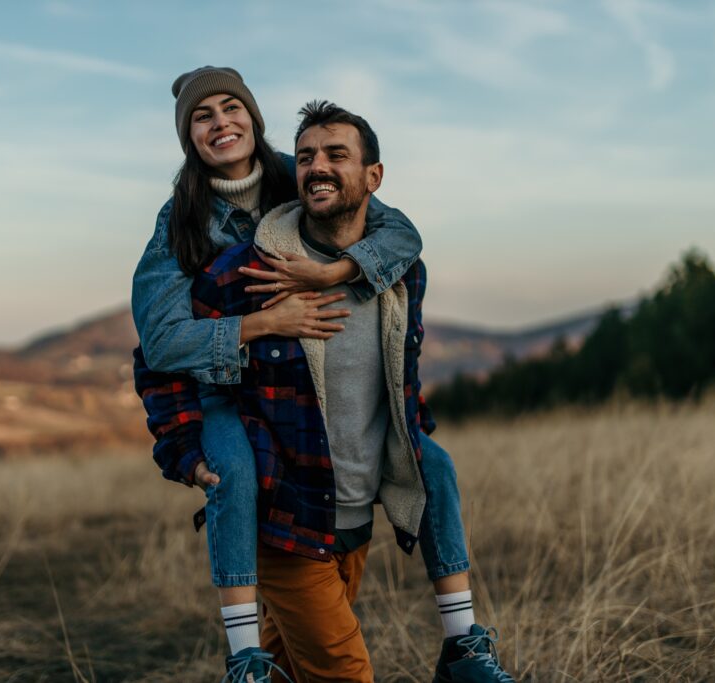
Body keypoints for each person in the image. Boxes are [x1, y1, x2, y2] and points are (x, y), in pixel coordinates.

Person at [135, 100, 516, 682]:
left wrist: (337, 272)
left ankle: (463, 645)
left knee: (287, 662)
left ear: (373, 177)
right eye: (309, 155)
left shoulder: (399, 271)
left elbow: (397, 371)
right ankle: (241, 657)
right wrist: (186, 452)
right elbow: (160, 356)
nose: (318, 166)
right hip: (287, 511)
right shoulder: (244, 268)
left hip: (354, 514)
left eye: (337, 155)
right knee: (345, 673)